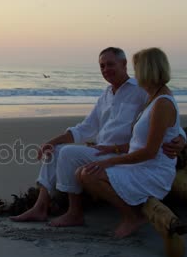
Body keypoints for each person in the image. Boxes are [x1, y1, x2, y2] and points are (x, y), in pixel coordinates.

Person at [10, 47, 185, 224]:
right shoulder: (106, 95)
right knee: (56, 150)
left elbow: (166, 120)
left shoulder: (141, 91)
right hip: (101, 151)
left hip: (124, 155)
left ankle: (74, 213)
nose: (105, 70)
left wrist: (182, 138)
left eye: (110, 64)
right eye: (102, 66)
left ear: (124, 64)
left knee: (67, 153)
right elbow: (85, 128)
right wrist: (51, 141)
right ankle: (40, 207)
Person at [64, 47, 181, 238]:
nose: (135, 73)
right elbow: (173, 129)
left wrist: (109, 161)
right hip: (138, 165)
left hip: (152, 171)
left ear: (148, 70)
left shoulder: (162, 103)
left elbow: (150, 152)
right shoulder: (153, 97)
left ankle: (132, 217)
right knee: (81, 172)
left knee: (89, 174)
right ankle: (125, 214)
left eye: (137, 68)